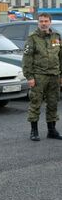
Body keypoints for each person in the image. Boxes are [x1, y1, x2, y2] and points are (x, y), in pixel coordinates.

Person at [23, 12, 62, 141]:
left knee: (53, 103)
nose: (43, 23)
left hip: (54, 76)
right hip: (39, 76)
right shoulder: (32, 38)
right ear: (38, 22)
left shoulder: (56, 36)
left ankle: (52, 130)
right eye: (41, 21)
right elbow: (27, 59)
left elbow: (60, 57)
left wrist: (60, 74)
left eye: (46, 21)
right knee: (35, 103)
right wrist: (29, 77)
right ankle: (34, 131)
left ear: (50, 22)